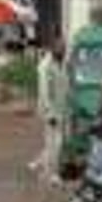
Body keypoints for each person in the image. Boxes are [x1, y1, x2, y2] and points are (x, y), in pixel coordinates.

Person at [32, 40, 67, 183]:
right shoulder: (46, 66)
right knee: (56, 143)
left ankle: (40, 164)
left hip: (60, 109)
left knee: (52, 142)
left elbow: (63, 87)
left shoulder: (59, 63)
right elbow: (44, 91)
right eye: (61, 49)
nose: (64, 51)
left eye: (64, 49)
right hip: (51, 111)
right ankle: (51, 174)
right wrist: (50, 113)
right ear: (53, 49)